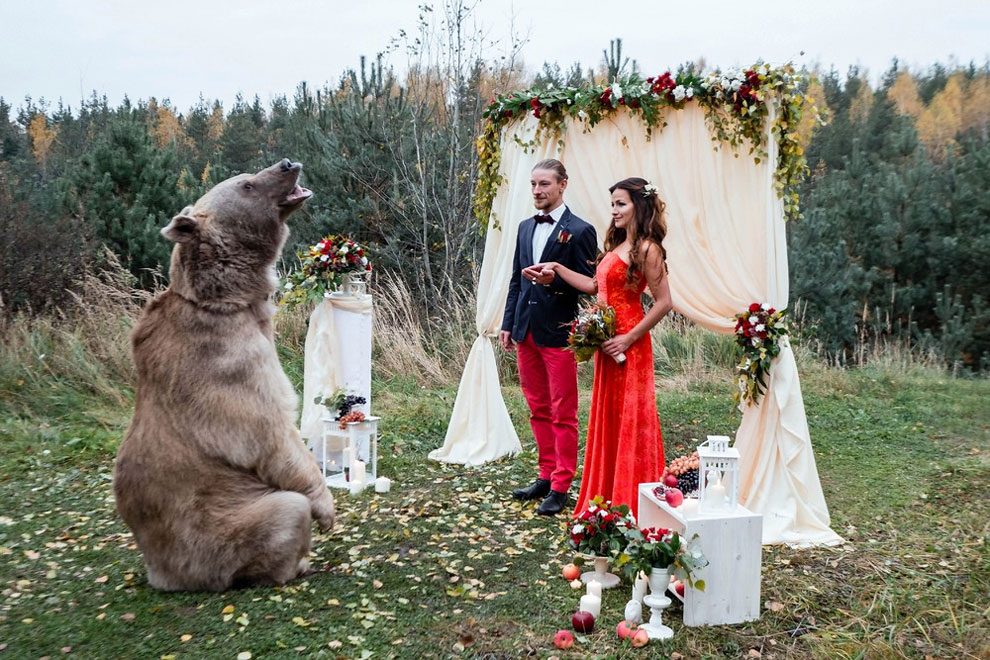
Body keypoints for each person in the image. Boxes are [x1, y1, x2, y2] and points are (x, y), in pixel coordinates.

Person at [526, 177, 671, 518]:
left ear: (640, 205)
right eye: (613, 205)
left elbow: (665, 303)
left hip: (629, 346)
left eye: (621, 204)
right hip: (606, 345)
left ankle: (633, 499)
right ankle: (606, 493)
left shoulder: (649, 249)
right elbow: (595, 286)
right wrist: (558, 269)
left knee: (632, 419)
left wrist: (629, 337)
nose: (614, 211)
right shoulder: (619, 245)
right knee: (608, 417)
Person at [501, 159, 598, 516]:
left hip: (559, 333)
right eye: (533, 185)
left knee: (563, 412)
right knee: (537, 408)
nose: (538, 191)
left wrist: (554, 280)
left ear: (563, 185)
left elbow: (591, 287)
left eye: (544, 184)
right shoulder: (525, 227)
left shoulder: (581, 230)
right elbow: (516, 278)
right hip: (526, 330)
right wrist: (508, 322)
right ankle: (544, 475)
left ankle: (561, 485)